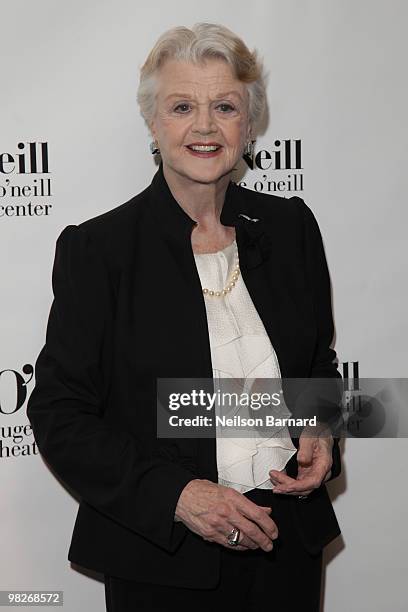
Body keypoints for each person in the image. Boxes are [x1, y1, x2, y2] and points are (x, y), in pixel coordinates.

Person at [27, 22, 343, 612]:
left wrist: (322, 428)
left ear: (248, 125)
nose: (204, 125)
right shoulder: (99, 252)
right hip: (164, 557)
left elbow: (316, 361)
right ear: (153, 122)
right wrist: (178, 496)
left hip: (288, 547)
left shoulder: (291, 227)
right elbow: (59, 412)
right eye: (181, 106)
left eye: (224, 106)